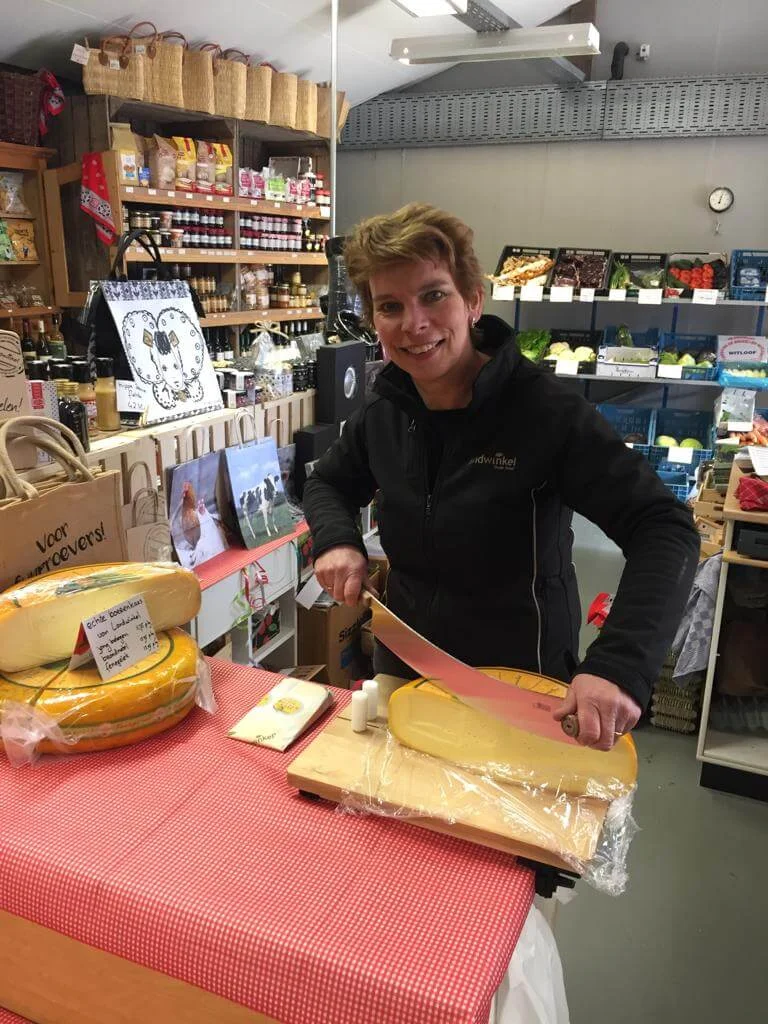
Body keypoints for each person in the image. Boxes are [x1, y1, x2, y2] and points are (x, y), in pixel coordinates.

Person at [303, 203, 700, 751]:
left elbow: (663, 526)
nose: (414, 324)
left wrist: (619, 664)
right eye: (390, 306)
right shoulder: (385, 410)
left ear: (473, 301)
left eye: (433, 295)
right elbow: (327, 483)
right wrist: (336, 540)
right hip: (408, 664)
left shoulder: (545, 412)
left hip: (520, 683)